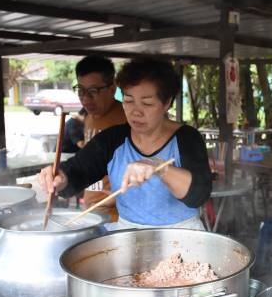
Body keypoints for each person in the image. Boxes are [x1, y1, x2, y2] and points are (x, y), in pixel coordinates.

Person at [39, 57, 212, 230]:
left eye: (147, 103)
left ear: (167, 103)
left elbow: (199, 194)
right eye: (128, 101)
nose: (136, 112)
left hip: (181, 235)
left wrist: (158, 167)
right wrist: (60, 178)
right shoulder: (113, 139)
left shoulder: (186, 138)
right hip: (128, 234)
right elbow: (78, 171)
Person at [74, 55, 127, 221]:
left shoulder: (127, 119)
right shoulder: (89, 117)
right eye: (81, 90)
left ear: (112, 88)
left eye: (93, 91)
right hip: (91, 208)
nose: (85, 98)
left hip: (115, 215)